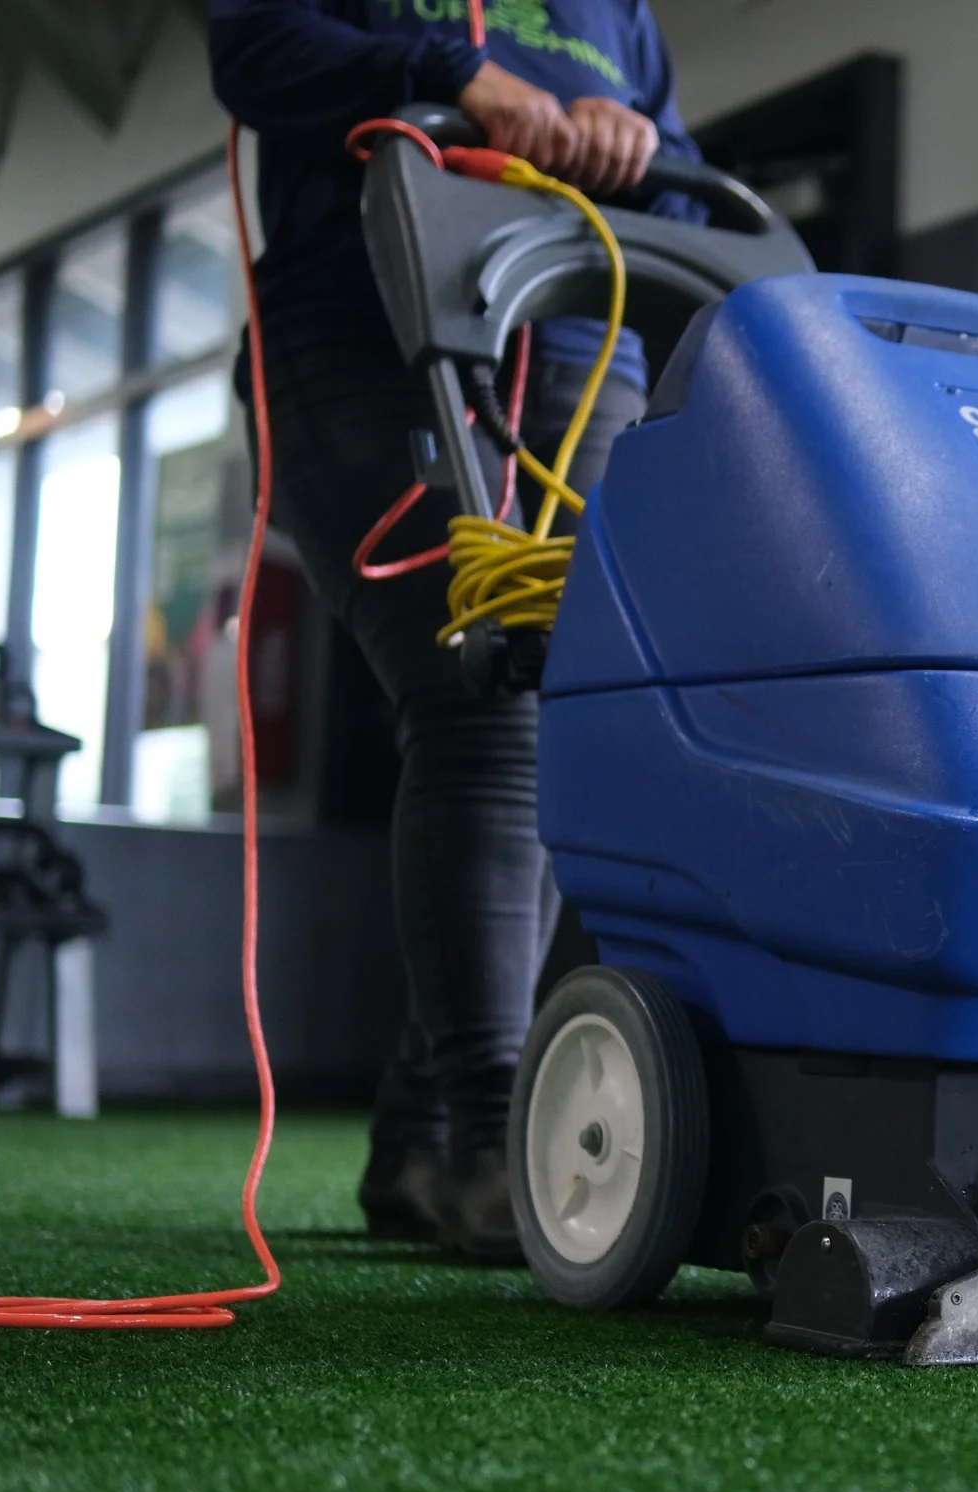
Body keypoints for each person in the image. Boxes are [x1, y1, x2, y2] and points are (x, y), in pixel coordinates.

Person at [209, 0, 707, 1259]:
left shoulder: (621, 15)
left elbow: (688, 201)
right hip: (366, 333)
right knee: (480, 691)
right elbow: (254, 48)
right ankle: (494, 1134)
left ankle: (419, 1136)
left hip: (577, 350)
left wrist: (626, 140)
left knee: (552, 700)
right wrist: (457, 75)